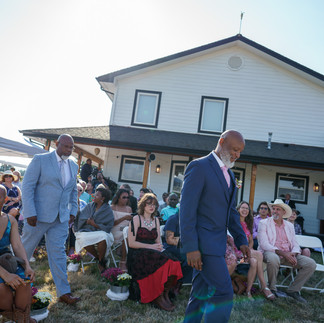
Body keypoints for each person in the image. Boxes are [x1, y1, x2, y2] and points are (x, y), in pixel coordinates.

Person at [180, 130, 250, 323]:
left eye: (240, 151)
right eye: (234, 149)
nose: (237, 154)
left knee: (199, 296)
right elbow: (187, 211)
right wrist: (191, 247)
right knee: (224, 293)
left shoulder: (232, 175)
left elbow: (232, 212)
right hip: (202, 245)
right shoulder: (199, 167)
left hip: (218, 245)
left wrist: (241, 240)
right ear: (221, 141)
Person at [21, 134, 80, 305]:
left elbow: (73, 191)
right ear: (57, 144)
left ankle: (64, 292)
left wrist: (73, 211)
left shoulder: (74, 165)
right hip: (37, 217)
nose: (69, 150)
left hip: (61, 218)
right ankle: (12, 286)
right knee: (23, 252)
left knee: (59, 255)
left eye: (71, 148)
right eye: (66, 146)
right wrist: (30, 211)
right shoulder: (40, 160)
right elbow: (28, 186)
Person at [127, 193, 183, 311]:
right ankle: (156, 296)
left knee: (174, 261)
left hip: (152, 250)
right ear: (143, 205)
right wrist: (152, 247)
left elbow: (158, 242)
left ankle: (164, 293)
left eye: (154, 205)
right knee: (162, 262)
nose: (152, 207)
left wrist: (162, 250)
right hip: (138, 252)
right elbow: (131, 243)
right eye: (149, 204)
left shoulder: (156, 220)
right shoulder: (136, 219)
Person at [258, 199, 316, 303]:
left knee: (311, 264)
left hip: (289, 254)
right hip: (271, 253)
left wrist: (293, 253)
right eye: (273, 209)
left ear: (284, 212)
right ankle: (272, 288)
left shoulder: (289, 225)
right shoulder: (264, 223)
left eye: (278, 209)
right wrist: (283, 253)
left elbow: (295, 243)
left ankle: (293, 290)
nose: (275, 211)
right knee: (273, 258)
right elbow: (264, 244)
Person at [0, 185, 36, 322]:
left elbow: (17, 246)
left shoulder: (11, 220)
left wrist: (27, 266)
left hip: (6, 260)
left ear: (5, 200)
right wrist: (5, 275)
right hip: (2, 269)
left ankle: (21, 318)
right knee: (2, 287)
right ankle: (10, 317)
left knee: (24, 281)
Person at [237, 201, 275, 300]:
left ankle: (248, 291)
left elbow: (250, 241)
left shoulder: (247, 223)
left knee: (254, 262)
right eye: (243, 208)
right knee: (258, 254)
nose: (245, 210)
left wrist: (249, 249)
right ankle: (264, 285)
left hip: (245, 253)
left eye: (247, 208)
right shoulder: (235, 223)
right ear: (238, 209)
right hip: (237, 252)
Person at [74, 187, 114, 272]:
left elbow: (108, 226)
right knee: (83, 239)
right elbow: (81, 217)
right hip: (87, 230)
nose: (94, 196)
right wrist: (87, 221)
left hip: (100, 231)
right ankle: (99, 260)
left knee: (103, 237)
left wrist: (94, 224)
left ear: (102, 198)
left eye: (97, 195)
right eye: (95, 194)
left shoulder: (108, 210)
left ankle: (100, 261)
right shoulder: (90, 205)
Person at [163, 211, 193, 284]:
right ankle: (185, 282)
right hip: (172, 247)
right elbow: (169, 240)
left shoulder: (191, 220)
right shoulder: (173, 219)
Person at [110, 189, 133, 272]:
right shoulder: (112, 207)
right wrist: (124, 218)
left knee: (129, 233)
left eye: (127, 197)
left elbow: (130, 223)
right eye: (124, 197)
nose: (126, 199)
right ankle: (123, 261)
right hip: (115, 230)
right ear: (118, 198)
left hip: (126, 230)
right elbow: (110, 224)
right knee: (127, 235)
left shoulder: (129, 209)